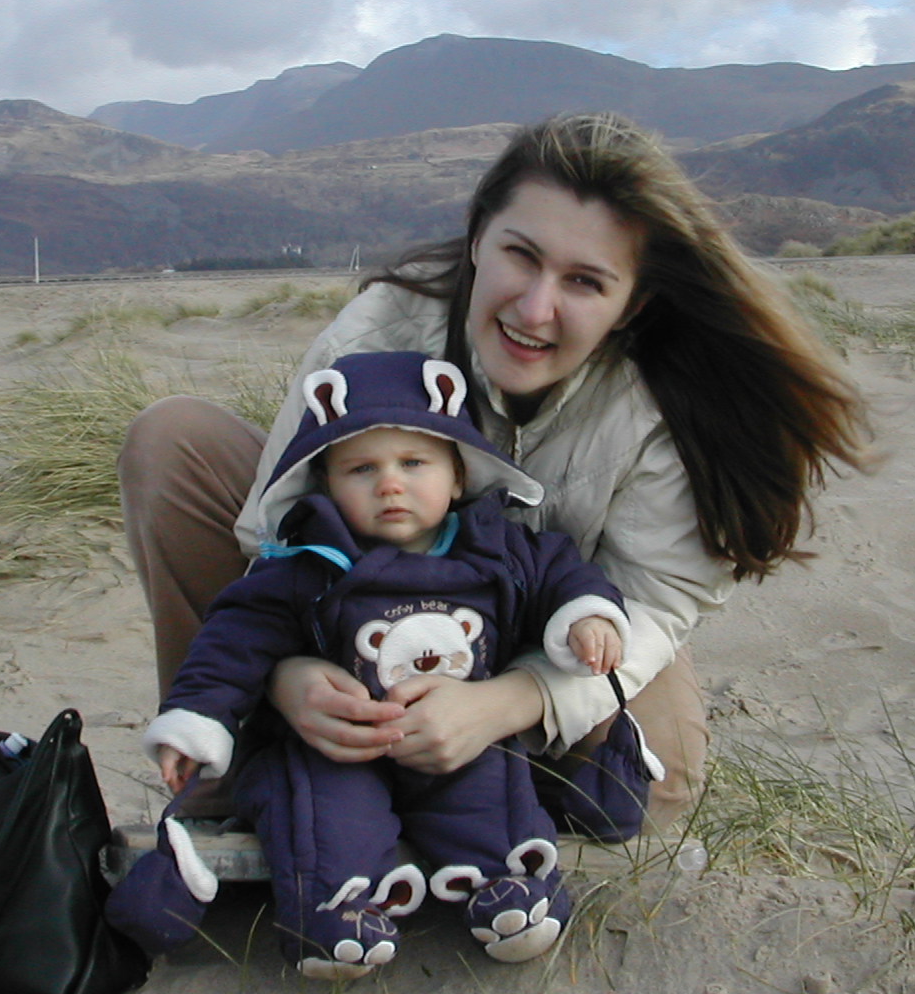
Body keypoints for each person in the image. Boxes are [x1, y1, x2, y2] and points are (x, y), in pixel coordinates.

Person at [119, 111, 871, 839]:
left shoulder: (670, 396)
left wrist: (507, 703)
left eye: (585, 281)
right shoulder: (380, 330)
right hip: (350, 617)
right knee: (174, 441)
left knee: (656, 783)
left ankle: (480, 797)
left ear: (631, 301)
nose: (536, 309)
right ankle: (222, 767)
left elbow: (652, 599)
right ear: (478, 236)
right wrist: (288, 676)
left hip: (555, 626)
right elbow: (275, 532)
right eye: (522, 256)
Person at [141, 350, 634, 977]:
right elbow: (232, 640)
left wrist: (587, 615)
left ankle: (510, 888)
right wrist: (195, 719)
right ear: (325, 484)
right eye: (361, 469)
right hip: (339, 747)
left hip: (457, 737)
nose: (390, 484)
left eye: (414, 463)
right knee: (320, 814)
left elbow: (563, 575)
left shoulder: (498, 547)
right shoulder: (306, 565)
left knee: (491, 792)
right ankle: (334, 913)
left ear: (459, 475)